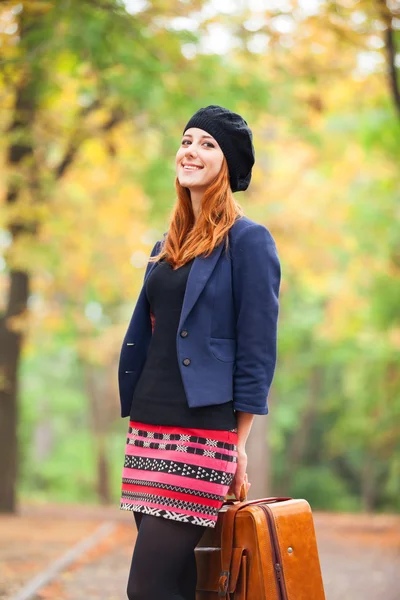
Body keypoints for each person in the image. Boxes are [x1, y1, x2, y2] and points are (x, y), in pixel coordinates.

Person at [118, 104, 281, 600]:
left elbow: (257, 351)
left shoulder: (249, 242)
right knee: (179, 582)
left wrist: (237, 442)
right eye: (187, 140)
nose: (191, 151)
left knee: (145, 587)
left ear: (227, 164)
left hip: (202, 432)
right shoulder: (163, 247)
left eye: (207, 144)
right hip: (149, 426)